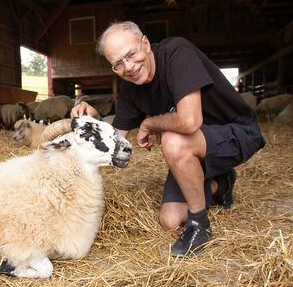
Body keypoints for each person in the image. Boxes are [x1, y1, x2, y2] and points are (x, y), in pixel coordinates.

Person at [71, 21, 266, 257]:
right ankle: (221, 184)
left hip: (236, 132)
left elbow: (189, 121)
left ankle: (199, 226)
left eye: (130, 55)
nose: (129, 67)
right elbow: (115, 139)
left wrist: (149, 123)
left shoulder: (176, 52)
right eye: (118, 64)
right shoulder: (131, 89)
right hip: (194, 147)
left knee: (172, 139)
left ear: (145, 43)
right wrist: (94, 121)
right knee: (170, 220)